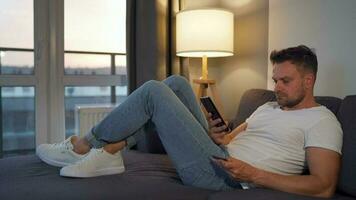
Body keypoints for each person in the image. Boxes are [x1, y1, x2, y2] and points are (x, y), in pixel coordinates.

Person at [36, 45, 342, 198]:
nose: (277, 87)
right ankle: (111, 149)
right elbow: (230, 140)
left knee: (155, 92)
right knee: (177, 82)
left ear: (308, 80)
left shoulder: (322, 121)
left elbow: (324, 186)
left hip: (226, 177)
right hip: (219, 155)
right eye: (275, 80)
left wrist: (254, 174)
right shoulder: (268, 107)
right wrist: (219, 136)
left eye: (285, 81)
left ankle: (84, 146)